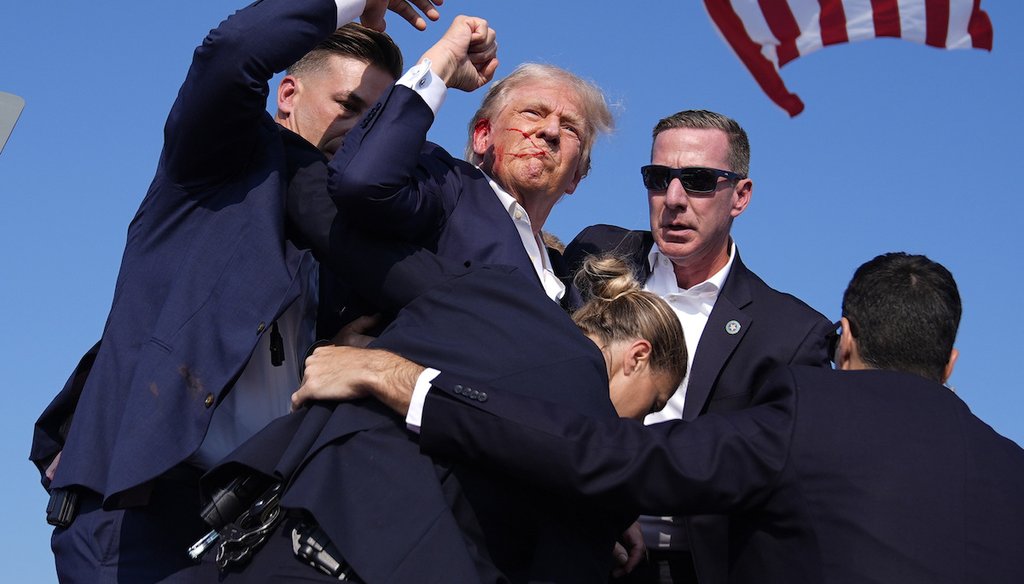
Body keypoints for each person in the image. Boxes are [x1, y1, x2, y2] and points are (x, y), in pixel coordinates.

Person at [28, 1, 444, 581]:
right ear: (289, 94)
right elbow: (231, 53)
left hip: (249, 526)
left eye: (375, 120)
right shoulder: (217, 161)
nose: (360, 130)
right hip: (137, 516)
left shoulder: (350, 242)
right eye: (347, 105)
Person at [304, 252, 1024, 584]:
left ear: (845, 339)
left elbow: (610, 456)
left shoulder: (811, 409)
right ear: (952, 362)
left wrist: (409, 381)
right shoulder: (1010, 470)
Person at [201, 245, 686, 582]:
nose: (638, 423)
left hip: (264, 529)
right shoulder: (591, 416)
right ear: (638, 356)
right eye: (653, 402)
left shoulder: (493, 299)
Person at [564, 109, 833, 582]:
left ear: (740, 196)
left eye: (699, 180)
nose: (673, 198)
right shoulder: (596, 254)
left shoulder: (790, 334)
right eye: (658, 177)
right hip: (560, 536)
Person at [326, 58, 614, 310]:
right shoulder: (447, 186)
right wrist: (442, 64)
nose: (551, 131)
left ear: (575, 176)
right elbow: (363, 183)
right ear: (482, 136)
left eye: (569, 127)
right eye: (533, 113)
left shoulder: (568, 285)